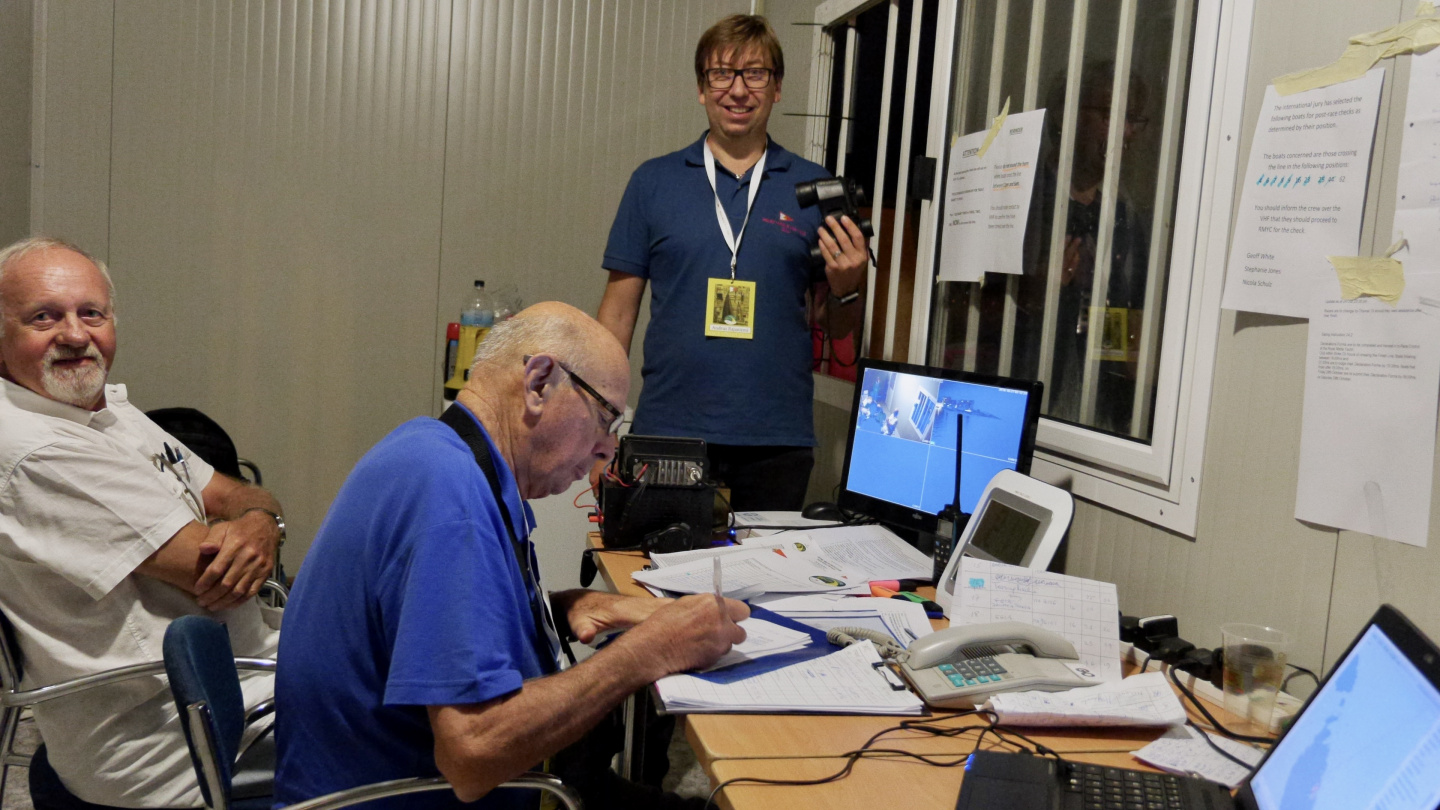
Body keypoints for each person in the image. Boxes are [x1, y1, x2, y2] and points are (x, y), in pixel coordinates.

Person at [274, 302, 749, 810]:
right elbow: (474, 751)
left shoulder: (433, 450)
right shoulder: (450, 496)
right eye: (606, 418)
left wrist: (564, 607)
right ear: (539, 382)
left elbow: (431, 618)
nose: (608, 449)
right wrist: (651, 651)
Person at [0, 236, 284, 808]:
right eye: (43, 318)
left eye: (92, 313)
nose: (75, 335)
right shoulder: (35, 449)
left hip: (245, 677)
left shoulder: (107, 411)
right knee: (443, 740)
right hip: (180, 733)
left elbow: (236, 492)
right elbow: (214, 572)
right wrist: (261, 525)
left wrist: (256, 520)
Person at [596, 14, 869, 511]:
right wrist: (596, 424)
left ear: (778, 87)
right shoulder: (652, 183)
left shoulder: (815, 188)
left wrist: (849, 286)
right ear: (702, 88)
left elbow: (838, 326)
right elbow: (616, 317)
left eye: (756, 74)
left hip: (775, 440)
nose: (738, 90)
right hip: (669, 432)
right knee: (659, 580)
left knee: (758, 587)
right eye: (722, 73)